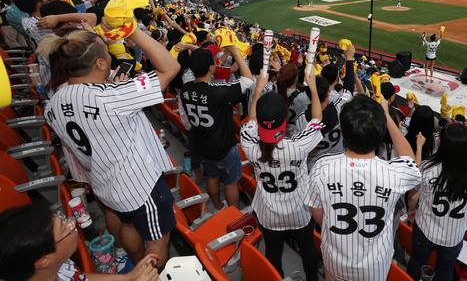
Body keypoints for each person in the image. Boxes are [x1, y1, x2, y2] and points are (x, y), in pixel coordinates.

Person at [38, 24, 180, 267]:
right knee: (158, 240)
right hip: (141, 186)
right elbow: (171, 67)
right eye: (106, 50)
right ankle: (150, 274)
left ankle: (137, 268)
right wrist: (131, 29)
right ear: (101, 64)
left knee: (128, 224)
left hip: (106, 184)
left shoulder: (54, 102)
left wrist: (113, 88)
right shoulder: (113, 95)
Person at [305, 95, 421, 281]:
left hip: (335, 259)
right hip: (374, 267)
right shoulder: (393, 173)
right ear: (381, 133)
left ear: (342, 131)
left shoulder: (322, 167)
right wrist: (386, 115)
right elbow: (411, 160)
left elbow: (317, 213)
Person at [240, 69, 322, 281]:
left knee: (273, 253)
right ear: (285, 119)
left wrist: (257, 89)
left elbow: (251, 120)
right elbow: (316, 120)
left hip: (269, 213)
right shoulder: (298, 146)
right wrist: (313, 88)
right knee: (308, 250)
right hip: (299, 210)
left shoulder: (249, 145)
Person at [406, 123, 467, 281]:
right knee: (445, 271)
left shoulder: (428, 167)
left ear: (442, 143)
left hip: (424, 229)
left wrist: (411, 210)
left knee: (416, 262)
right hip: (453, 236)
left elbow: (413, 195)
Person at [0, 204, 159, 281]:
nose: (72, 224)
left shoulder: (53, 266)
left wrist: (128, 277)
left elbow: (78, 277)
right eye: (64, 228)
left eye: (64, 219)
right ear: (43, 261)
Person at [181, 45, 253, 211]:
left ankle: (218, 207)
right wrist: (235, 52)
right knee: (230, 182)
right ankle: (233, 214)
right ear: (211, 68)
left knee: (211, 178)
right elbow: (248, 80)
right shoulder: (216, 92)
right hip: (224, 147)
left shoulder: (186, 89)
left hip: (203, 145)